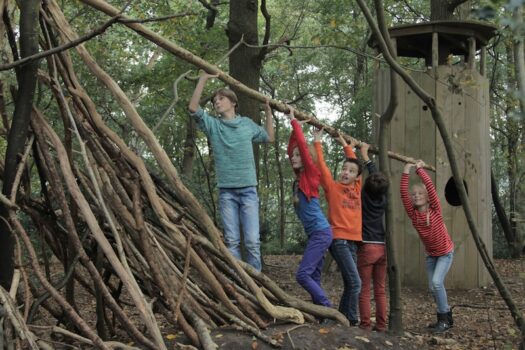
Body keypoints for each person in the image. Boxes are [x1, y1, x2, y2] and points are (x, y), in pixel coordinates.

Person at [188, 71, 274, 271]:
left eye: (221, 98)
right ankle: (239, 284)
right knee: (232, 242)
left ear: (233, 102)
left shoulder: (246, 125)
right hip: (227, 191)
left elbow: (269, 137)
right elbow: (193, 108)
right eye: (215, 100)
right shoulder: (213, 126)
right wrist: (202, 79)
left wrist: (269, 113)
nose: (216, 102)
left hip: (248, 190)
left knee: (252, 242)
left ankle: (256, 285)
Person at [313, 130, 362, 325]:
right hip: (339, 239)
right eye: (343, 169)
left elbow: (355, 163)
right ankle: (349, 318)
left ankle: (342, 318)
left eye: (350, 171)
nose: (345, 172)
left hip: (354, 242)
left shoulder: (357, 188)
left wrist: (345, 144)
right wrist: (317, 141)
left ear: (357, 176)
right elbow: (321, 165)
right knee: (356, 283)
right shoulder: (333, 188)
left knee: (351, 283)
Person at [286, 106, 332, 308]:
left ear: (306, 160)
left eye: (298, 156)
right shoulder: (298, 180)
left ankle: (327, 307)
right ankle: (321, 312)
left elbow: (303, 149)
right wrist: (291, 123)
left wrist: (295, 123)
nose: (294, 158)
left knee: (303, 275)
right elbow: (292, 149)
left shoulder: (311, 176)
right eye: (293, 156)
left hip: (321, 233)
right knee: (313, 275)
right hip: (316, 235)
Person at [400, 160, 454, 333]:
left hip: (445, 253)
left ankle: (444, 318)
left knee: (437, 283)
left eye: (420, 193)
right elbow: (403, 194)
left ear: (427, 196)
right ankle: (446, 316)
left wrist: (420, 170)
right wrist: (406, 171)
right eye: (414, 194)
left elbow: (430, 187)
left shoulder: (435, 210)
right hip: (431, 255)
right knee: (432, 286)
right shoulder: (414, 215)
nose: (416, 196)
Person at [357, 144, 389, 332]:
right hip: (382, 247)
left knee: (364, 288)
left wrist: (362, 156)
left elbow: (371, 179)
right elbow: (376, 179)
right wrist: (367, 157)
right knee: (380, 289)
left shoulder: (364, 197)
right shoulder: (383, 199)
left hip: (367, 247)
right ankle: (382, 325)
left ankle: (366, 325)